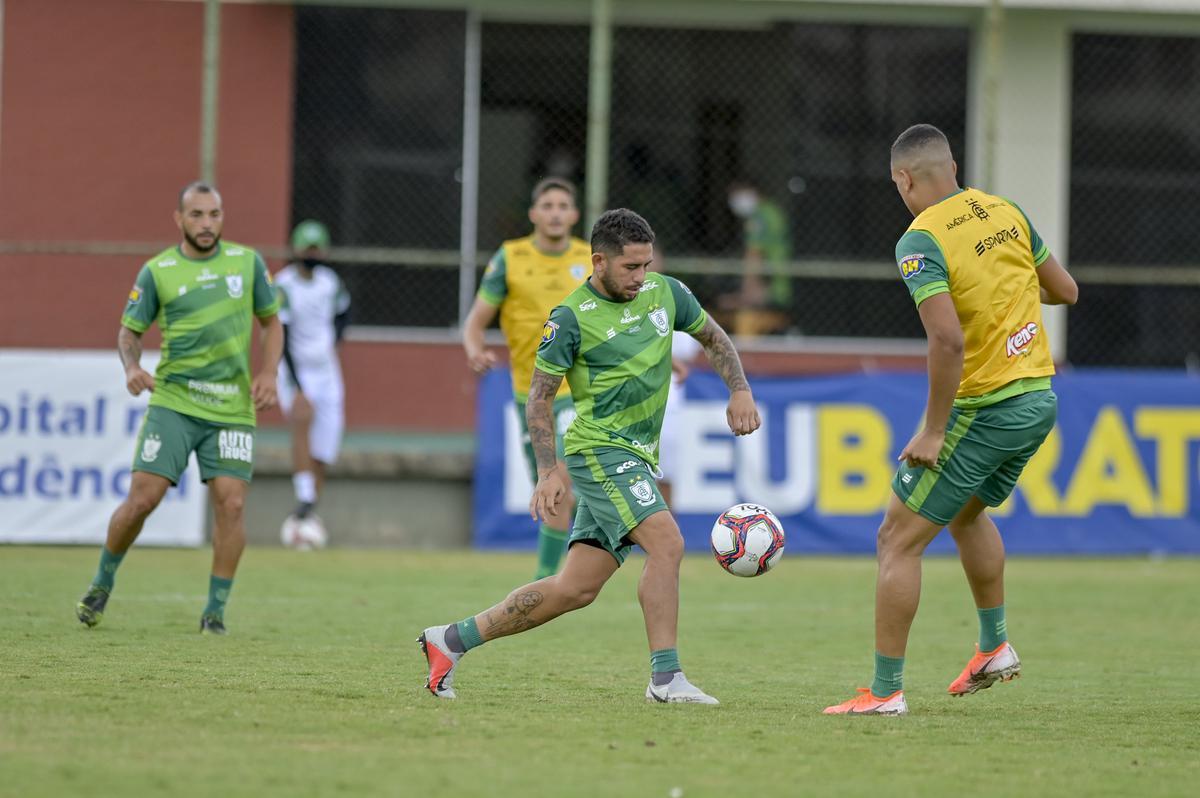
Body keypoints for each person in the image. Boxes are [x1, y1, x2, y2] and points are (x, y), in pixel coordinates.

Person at [420, 208, 761, 703]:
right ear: (599, 262)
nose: (641, 277)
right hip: (599, 452)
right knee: (667, 543)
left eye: (646, 265)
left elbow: (713, 336)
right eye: (631, 268)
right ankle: (666, 679)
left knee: (575, 588)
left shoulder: (667, 292)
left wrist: (740, 390)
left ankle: (449, 641)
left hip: (638, 456)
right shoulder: (569, 318)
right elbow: (539, 397)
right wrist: (547, 470)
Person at [824, 124, 1078, 715]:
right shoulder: (1004, 210)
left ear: (903, 179)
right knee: (966, 514)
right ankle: (994, 645)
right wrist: (1003, 287)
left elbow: (946, 339)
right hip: (1038, 397)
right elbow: (1064, 290)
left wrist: (934, 429)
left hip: (985, 406)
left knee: (895, 539)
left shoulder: (920, 241)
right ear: (954, 166)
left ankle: (884, 693)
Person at [75, 181, 283, 635]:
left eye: (213, 214)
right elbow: (128, 333)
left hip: (231, 407)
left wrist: (268, 374)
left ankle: (214, 613)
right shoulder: (158, 271)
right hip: (174, 401)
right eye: (196, 215)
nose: (206, 224)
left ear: (222, 217)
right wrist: (131, 367)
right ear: (179, 219)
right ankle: (102, 582)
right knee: (143, 499)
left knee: (231, 504)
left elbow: (272, 324)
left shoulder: (248, 264)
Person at [462, 177, 591, 579]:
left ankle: (547, 580)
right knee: (549, 486)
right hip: (531, 395)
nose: (555, 212)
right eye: (547, 205)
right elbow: (475, 323)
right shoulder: (510, 257)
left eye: (562, 205)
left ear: (573, 215)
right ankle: (551, 579)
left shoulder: (590, 258)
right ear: (534, 214)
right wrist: (475, 349)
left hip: (579, 391)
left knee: (563, 476)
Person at [275, 219, 351, 530]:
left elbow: (345, 311)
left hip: (327, 370)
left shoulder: (330, 282)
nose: (312, 253)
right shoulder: (283, 285)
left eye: (317, 248)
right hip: (296, 370)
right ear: (295, 249)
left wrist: (333, 341)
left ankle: (305, 514)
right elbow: (280, 335)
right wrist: (297, 386)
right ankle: (304, 497)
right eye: (307, 248)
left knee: (324, 450)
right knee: (302, 421)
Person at [719, 180, 793, 335]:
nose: (734, 201)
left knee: (739, 318)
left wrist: (745, 295)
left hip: (770, 289)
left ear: (752, 191)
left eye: (736, 195)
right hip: (779, 286)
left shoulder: (760, 216)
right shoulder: (772, 211)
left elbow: (754, 256)